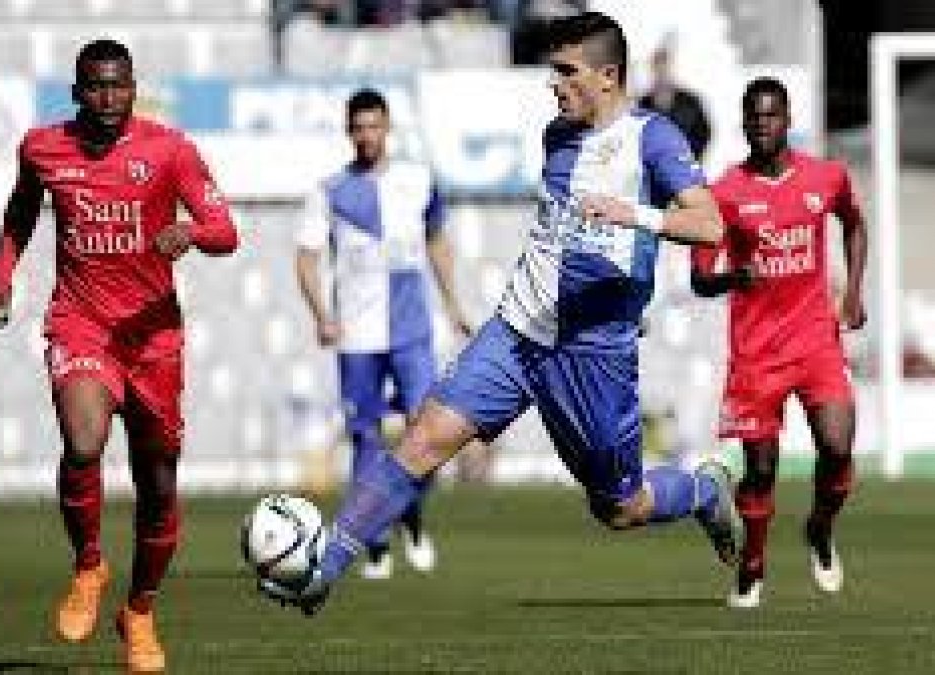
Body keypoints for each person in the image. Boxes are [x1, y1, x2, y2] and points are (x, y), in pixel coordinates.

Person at [264, 11, 740, 616]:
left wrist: (634, 216)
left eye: (566, 72)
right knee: (423, 438)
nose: (554, 84)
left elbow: (708, 224)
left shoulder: (655, 138)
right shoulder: (557, 136)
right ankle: (322, 569)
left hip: (593, 352)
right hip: (517, 331)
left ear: (608, 76)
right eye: (552, 71)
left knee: (621, 507)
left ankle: (702, 490)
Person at [0, 39, 238, 672]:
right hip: (82, 325)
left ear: (133, 88)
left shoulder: (170, 151)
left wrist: (191, 231)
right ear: (77, 91)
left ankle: (140, 610)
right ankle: (89, 565)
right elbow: (21, 210)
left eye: (118, 85)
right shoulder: (43, 148)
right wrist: (3, 275)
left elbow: (226, 232)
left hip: (153, 339)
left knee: (159, 485)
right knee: (84, 442)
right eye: (96, 86)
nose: (108, 98)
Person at [690, 76, 867, 609]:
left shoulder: (826, 177)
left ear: (788, 119)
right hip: (757, 353)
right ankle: (752, 567)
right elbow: (701, 278)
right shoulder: (725, 193)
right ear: (743, 123)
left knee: (837, 447)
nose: (763, 124)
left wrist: (853, 294)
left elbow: (855, 225)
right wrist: (732, 277)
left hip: (815, 340)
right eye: (754, 116)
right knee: (761, 470)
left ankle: (820, 528)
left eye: (771, 115)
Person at [295, 88, 472, 580]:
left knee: (428, 432)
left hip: (412, 331)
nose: (367, 136)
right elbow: (306, 258)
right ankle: (373, 544)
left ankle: (409, 517)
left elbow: (437, 240)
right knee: (366, 440)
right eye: (359, 127)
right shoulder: (329, 191)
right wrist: (321, 314)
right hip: (356, 336)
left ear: (388, 127)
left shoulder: (418, 180)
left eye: (375, 126)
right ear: (348, 132)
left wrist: (454, 304)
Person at [638, 38, 712, 162]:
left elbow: (704, 132)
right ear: (652, 70)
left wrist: (691, 158)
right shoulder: (643, 104)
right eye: (657, 68)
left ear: (671, 68)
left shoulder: (690, 101)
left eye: (664, 68)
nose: (661, 73)